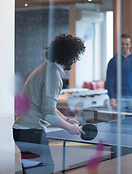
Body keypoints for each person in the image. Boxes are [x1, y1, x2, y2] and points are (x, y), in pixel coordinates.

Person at [13, 34, 85, 173]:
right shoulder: (54, 76)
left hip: (24, 130)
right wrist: (70, 128)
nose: (75, 60)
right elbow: (49, 116)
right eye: (75, 56)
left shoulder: (47, 68)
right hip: (31, 132)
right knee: (44, 171)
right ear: (69, 56)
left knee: (35, 171)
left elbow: (46, 106)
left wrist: (66, 120)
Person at [106, 34, 132, 114]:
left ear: (130, 45)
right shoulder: (113, 61)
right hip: (118, 97)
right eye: (122, 44)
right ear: (119, 44)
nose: (125, 46)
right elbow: (109, 80)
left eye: (127, 44)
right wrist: (111, 97)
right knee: (119, 124)